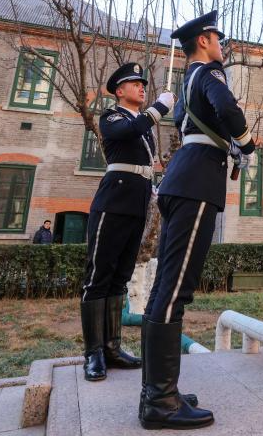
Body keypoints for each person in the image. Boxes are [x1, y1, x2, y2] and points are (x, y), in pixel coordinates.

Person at [140, 10, 255, 430]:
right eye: (217, 39)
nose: (221, 46)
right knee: (175, 292)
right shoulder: (209, 73)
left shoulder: (186, 82)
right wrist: (246, 143)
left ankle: (157, 390)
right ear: (204, 41)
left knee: (163, 289)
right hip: (197, 182)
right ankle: (161, 402)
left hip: (181, 178)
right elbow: (228, 108)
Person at [80, 63, 175, 384]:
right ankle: (93, 353)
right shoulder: (112, 117)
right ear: (119, 91)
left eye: (142, 84)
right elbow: (126, 133)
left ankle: (112, 347)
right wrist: (159, 108)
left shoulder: (141, 123)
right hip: (113, 202)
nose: (141, 87)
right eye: (135, 83)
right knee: (98, 277)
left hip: (137, 203)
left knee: (120, 277)